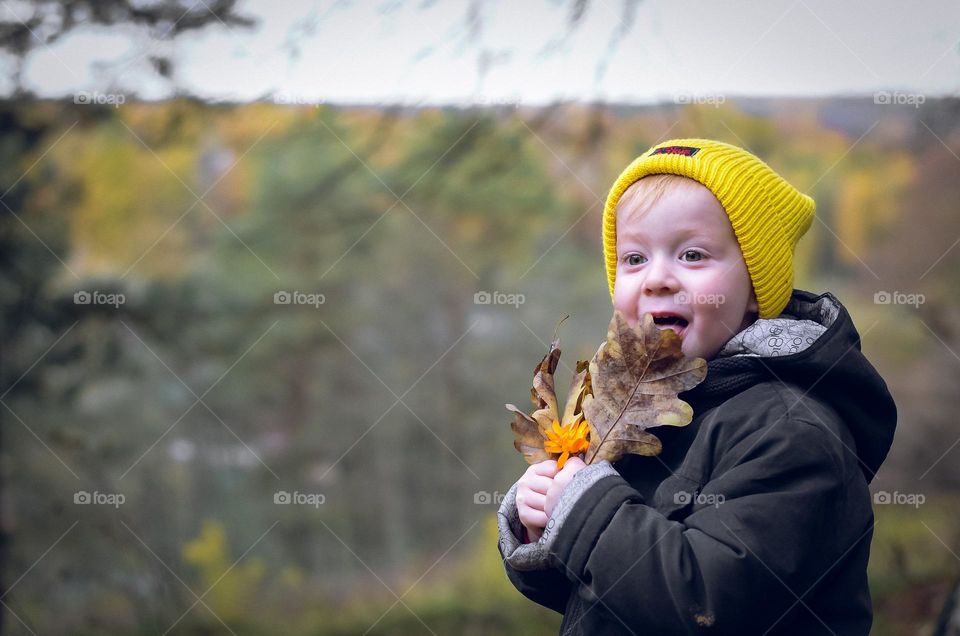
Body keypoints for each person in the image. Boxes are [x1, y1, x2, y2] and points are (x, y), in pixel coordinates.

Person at [496, 138, 897, 635]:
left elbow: (706, 603)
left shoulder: (793, 432)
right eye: (635, 259)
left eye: (691, 254)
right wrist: (547, 526)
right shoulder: (642, 408)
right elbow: (610, 595)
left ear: (754, 287)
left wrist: (585, 511)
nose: (658, 279)